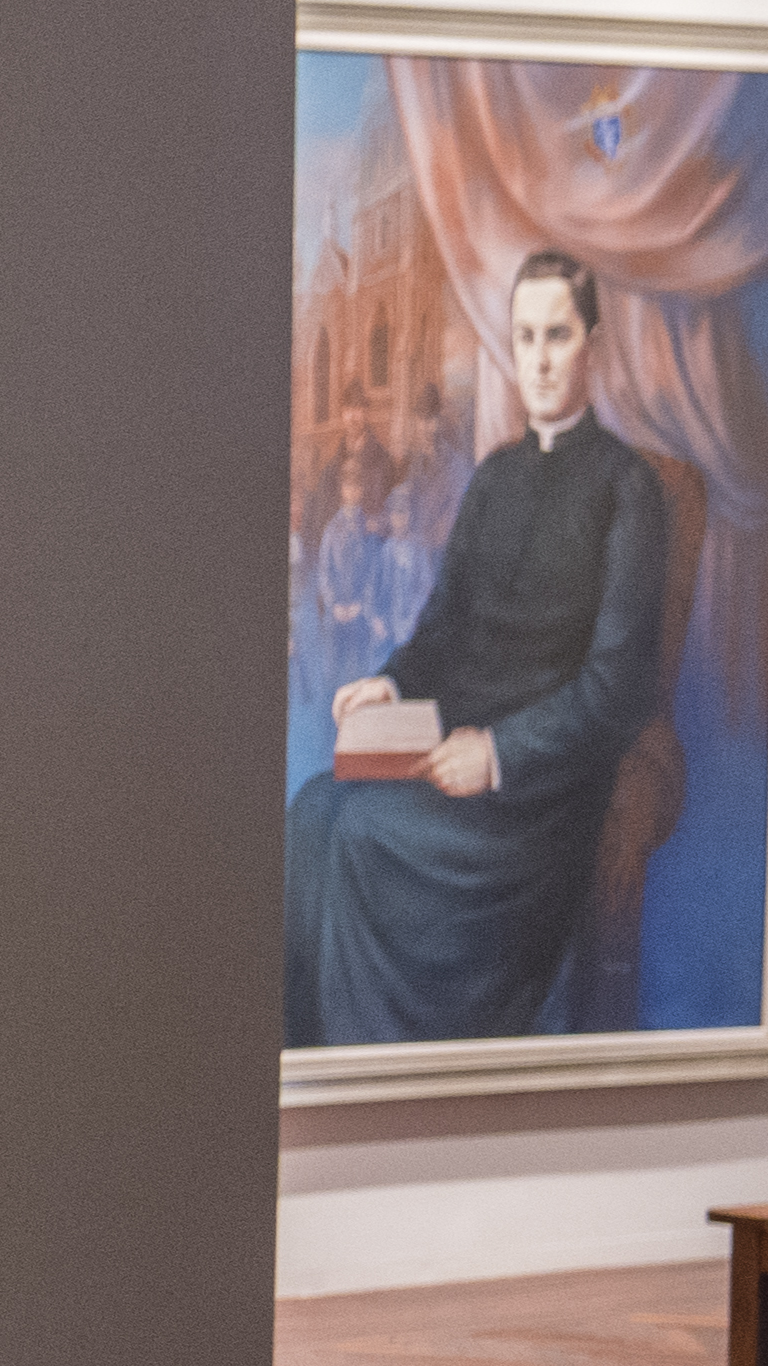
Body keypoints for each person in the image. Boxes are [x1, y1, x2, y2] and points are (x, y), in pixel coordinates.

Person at [287, 242, 680, 1043]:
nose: (538, 360)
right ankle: (310, 1080)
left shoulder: (628, 492)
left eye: (558, 336)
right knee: (311, 811)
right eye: (525, 337)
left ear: (593, 349)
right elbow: (444, 629)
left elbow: (615, 693)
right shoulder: (495, 477)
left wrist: (496, 754)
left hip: (535, 803)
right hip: (448, 762)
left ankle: (380, 1090)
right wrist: (390, 686)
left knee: (360, 835)